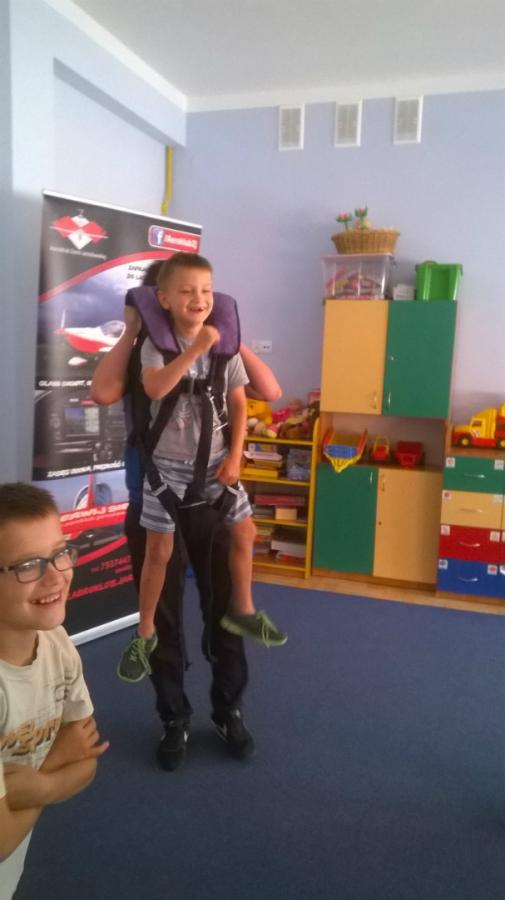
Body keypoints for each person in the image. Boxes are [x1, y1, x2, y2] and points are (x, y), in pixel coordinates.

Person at [91, 258, 283, 770]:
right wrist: (132, 329)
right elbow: (103, 392)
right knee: (165, 615)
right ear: (159, 301)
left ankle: (228, 708)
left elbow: (264, 393)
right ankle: (173, 716)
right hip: (156, 496)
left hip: (212, 495)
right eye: (182, 292)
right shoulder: (146, 348)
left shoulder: (217, 347)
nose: (196, 301)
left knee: (226, 608)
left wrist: (231, 335)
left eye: (205, 292)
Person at [0, 483, 109, 899]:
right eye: (28, 565)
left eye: (61, 553)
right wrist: (56, 765)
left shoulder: (57, 645)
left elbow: (86, 759)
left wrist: (40, 786)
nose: (56, 576)